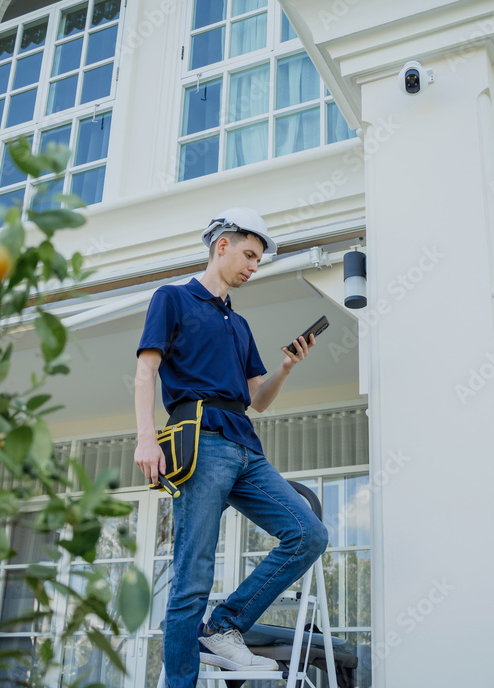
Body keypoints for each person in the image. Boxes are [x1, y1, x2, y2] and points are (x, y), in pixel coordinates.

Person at [133, 208, 329, 687]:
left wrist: (286, 367)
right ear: (222, 245)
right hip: (198, 440)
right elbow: (146, 371)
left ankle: (224, 626)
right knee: (192, 573)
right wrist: (145, 437)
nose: (252, 267)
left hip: (245, 445)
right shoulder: (173, 299)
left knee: (309, 534)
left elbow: (258, 400)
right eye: (248, 255)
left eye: (258, 261)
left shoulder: (239, 326)